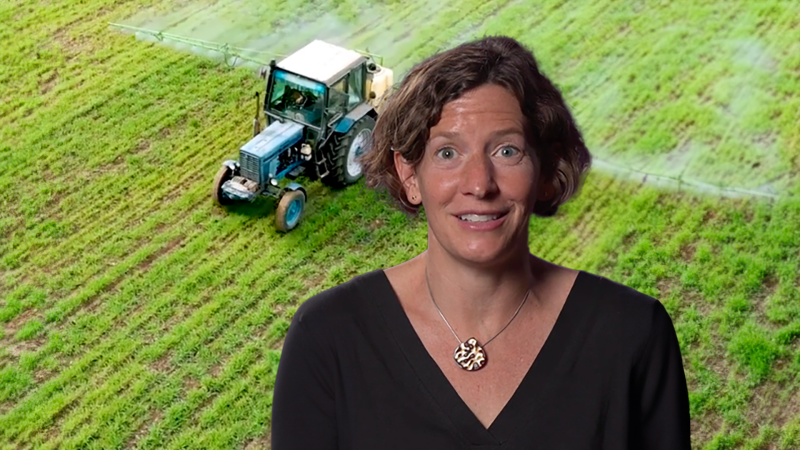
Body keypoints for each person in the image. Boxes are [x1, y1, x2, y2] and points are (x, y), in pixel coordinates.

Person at [271, 36, 690, 449]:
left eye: (507, 151)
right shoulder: (328, 338)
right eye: (448, 153)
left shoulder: (633, 335)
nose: (479, 184)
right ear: (410, 175)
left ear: (545, 170)